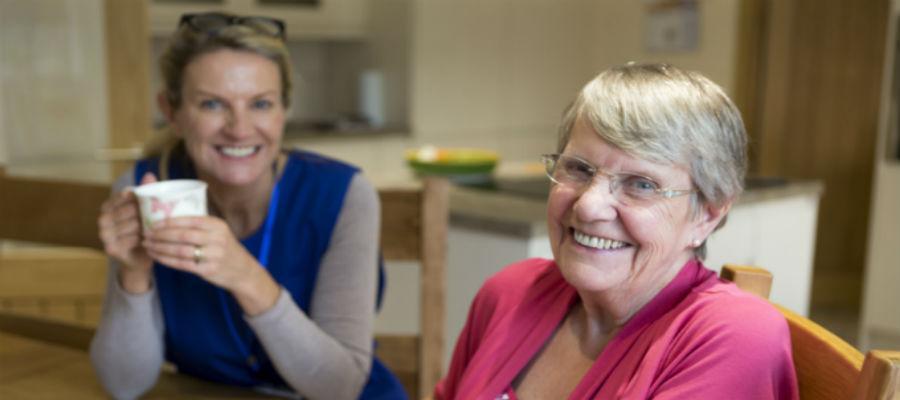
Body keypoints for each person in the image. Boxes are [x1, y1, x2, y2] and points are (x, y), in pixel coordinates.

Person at [434, 63, 799, 399]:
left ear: (708, 213)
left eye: (640, 184)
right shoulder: (509, 293)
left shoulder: (736, 337)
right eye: (578, 168)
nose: (589, 206)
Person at [90, 12, 405, 400]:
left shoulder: (344, 196)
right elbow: (124, 385)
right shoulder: (146, 192)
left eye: (260, 104)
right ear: (172, 112)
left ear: (284, 110)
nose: (239, 128)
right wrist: (135, 274)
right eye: (211, 105)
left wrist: (246, 276)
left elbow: (338, 388)